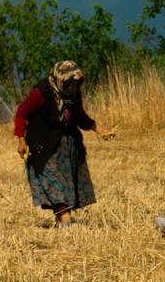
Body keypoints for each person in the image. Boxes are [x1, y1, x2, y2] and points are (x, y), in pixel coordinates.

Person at [12, 59, 112, 226]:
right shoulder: (41, 92)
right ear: (59, 80)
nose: (74, 87)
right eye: (70, 83)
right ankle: (65, 219)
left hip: (66, 143)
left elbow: (80, 116)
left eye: (76, 83)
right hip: (41, 144)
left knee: (67, 180)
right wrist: (21, 141)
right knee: (52, 179)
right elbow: (22, 113)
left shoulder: (73, 93)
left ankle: (61, 219)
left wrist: (99, 129)